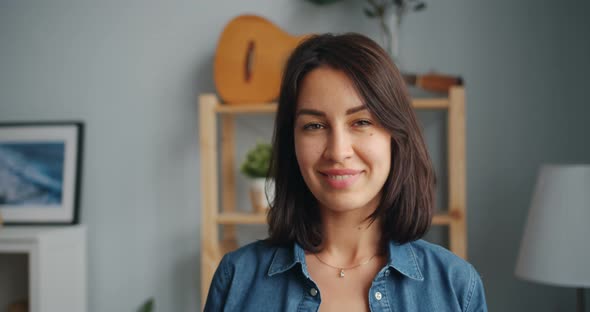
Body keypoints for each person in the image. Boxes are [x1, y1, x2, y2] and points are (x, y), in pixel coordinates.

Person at [204, 33, 487, 312]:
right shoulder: (237, 279)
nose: (338, 152)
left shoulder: (457, 286)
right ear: (293, 142)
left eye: (361, 121)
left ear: (395, 136)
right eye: (314, 125)